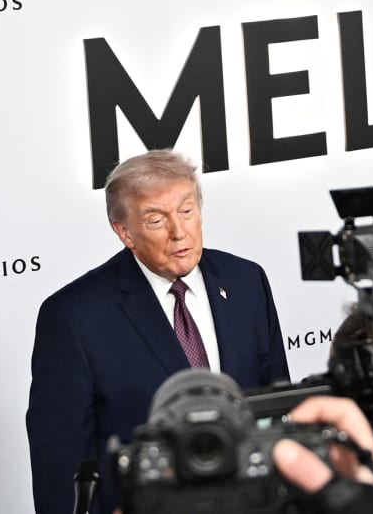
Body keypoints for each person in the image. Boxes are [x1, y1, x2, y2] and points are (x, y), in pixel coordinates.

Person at [27, 149, 290, 514]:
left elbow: (277, 408)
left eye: (187, 210)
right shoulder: (73, 316)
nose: (179, 232)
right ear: (124, 232)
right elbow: (60, 464)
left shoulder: (246, 281)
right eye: (156, 219)